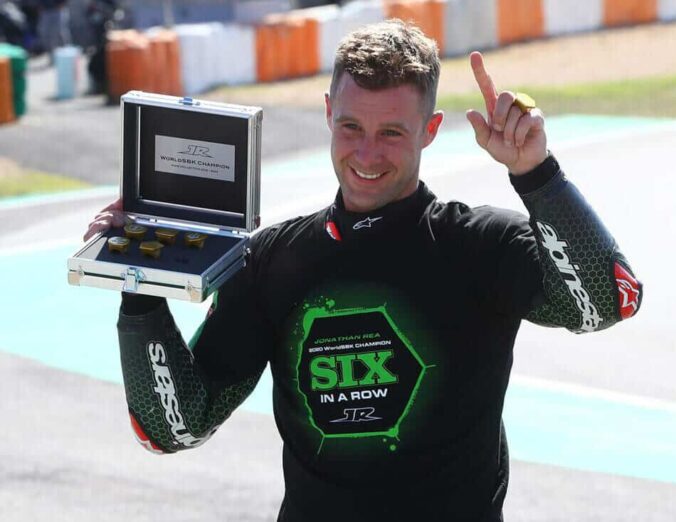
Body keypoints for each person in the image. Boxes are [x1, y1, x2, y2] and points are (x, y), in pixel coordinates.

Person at [84, 20, 642, 522]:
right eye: (351, 126)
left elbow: (607, 303)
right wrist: (140, 285)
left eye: (391, 133)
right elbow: (174, 427)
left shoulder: (478, 245)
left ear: (430, 129)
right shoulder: (273, 260)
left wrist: (536, 174)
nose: (367, 155)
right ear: (328, 112)